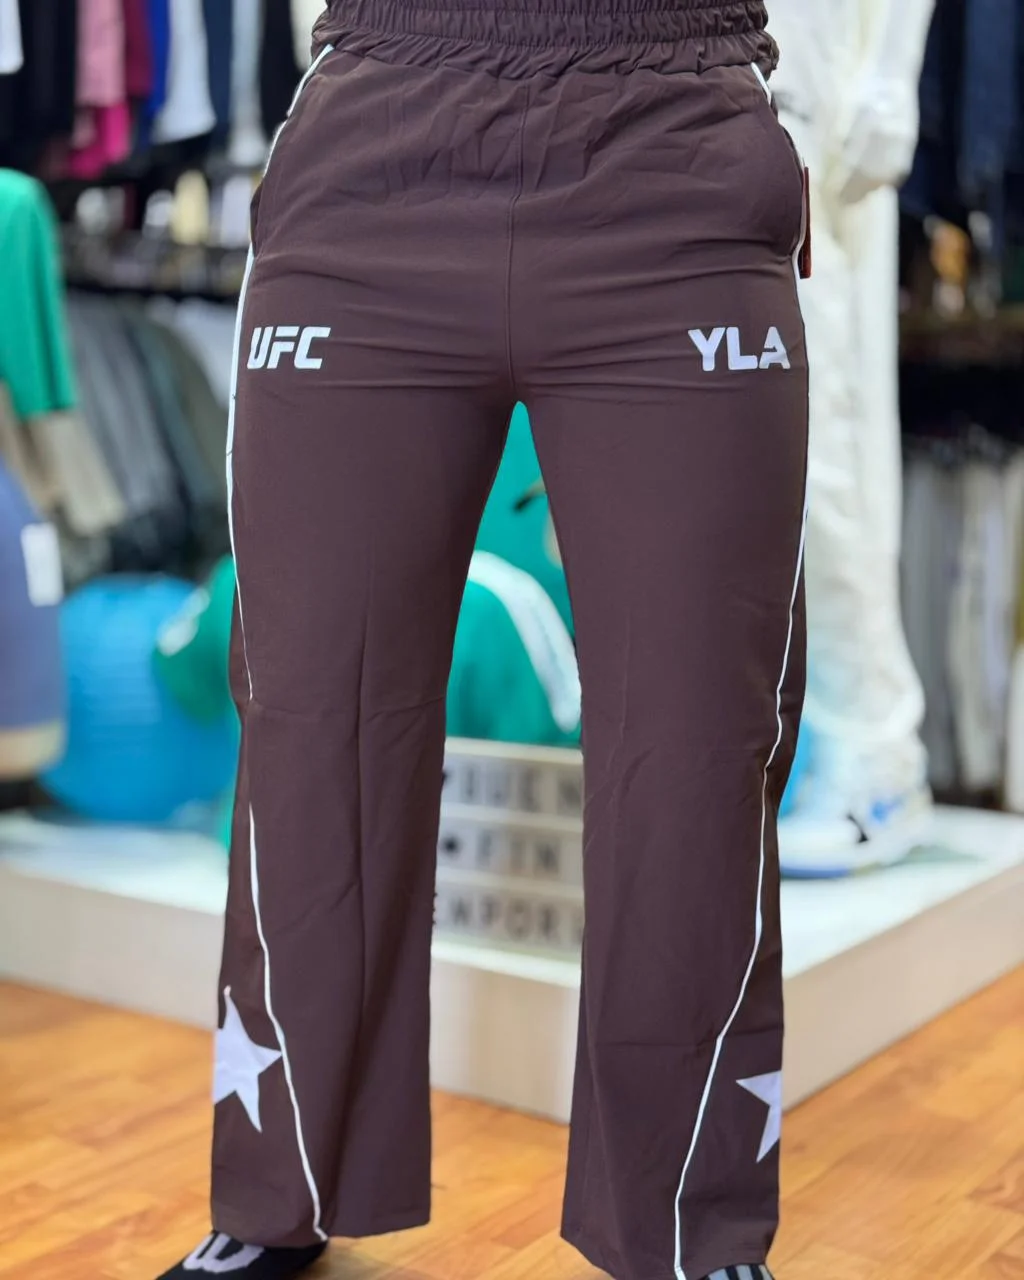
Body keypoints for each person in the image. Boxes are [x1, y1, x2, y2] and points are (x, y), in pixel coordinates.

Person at [160, 1, 809, 1277]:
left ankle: (687, 1222)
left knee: (694, 744)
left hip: (673, 156)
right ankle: (281, 1191)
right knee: (314, 722)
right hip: (373, 148)